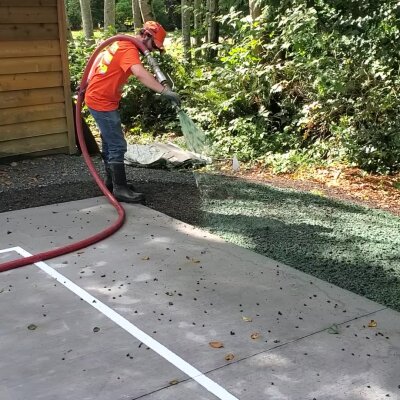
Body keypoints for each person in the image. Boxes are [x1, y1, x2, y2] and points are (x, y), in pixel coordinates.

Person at [84, 21, 180, 203]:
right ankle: (120, 189)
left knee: (109, 142)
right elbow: (139, 73)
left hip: (100, 98)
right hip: (101, 101)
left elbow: (98, 58)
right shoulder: (128, 48)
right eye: (154, 46)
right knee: (117, 145)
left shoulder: (120, 43)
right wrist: (164, 91)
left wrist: (88, 83)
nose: (152, 51)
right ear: (146, 36)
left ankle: (112, 183)